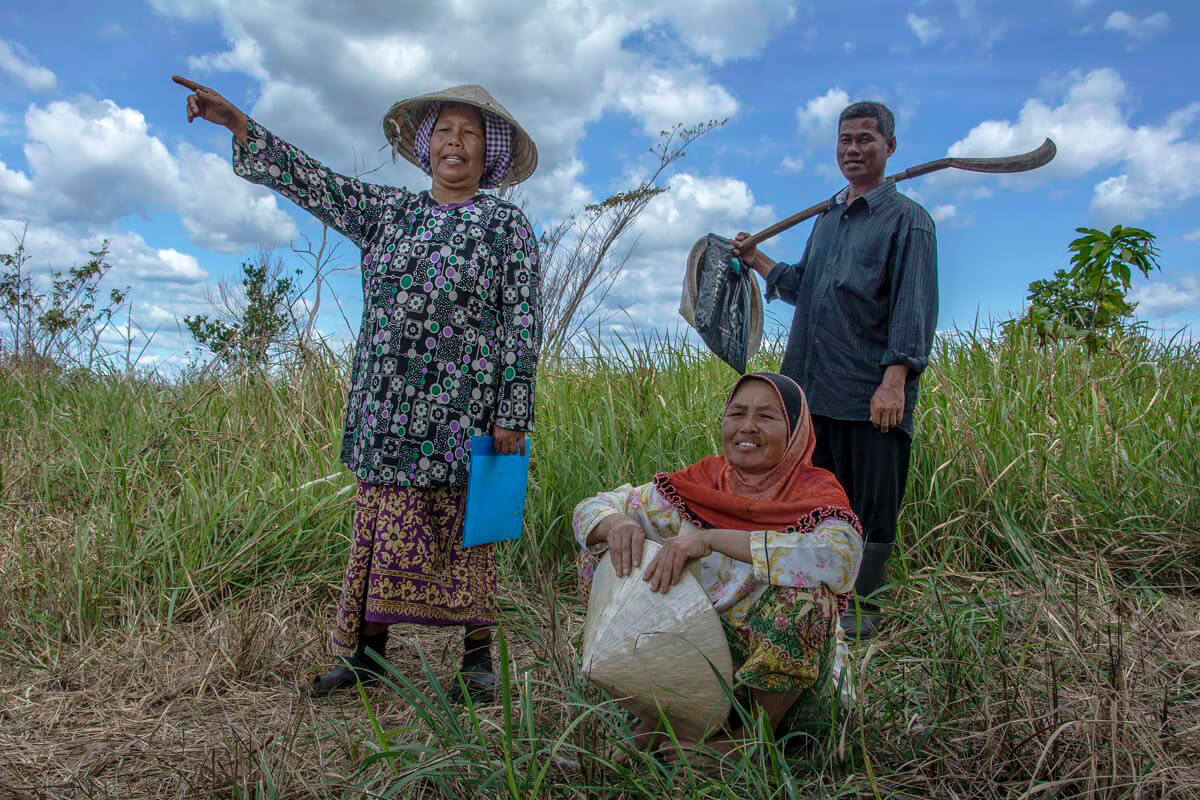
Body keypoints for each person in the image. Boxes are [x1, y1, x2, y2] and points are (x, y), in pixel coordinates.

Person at [171, 76, 541, 701]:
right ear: (426, 147)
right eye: (444, 131)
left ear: (489, 152)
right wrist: (240, 126)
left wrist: (512, 411)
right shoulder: (389, 213)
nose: (456, 143)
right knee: (377, 531)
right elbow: (314, 182)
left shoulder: (504, 225)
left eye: (470, 133)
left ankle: (476, 663)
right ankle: (368, 656)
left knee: (468, 534)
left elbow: (522, 319)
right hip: (388, 410)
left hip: (468, 412)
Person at [573, 372, 863, 759]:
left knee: (808, 599)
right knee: (614, 548)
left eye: (767, 416)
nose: (747, 427)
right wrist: (618, 524)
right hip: (699, 667)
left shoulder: (814, 495)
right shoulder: (695, 486)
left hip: (791, 688)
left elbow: (839, 560)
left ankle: (751, 738)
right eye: (737, 413)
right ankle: (668, 718)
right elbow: (590, 509)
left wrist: (711, 540)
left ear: (794, 431)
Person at [732, 101, 937, 639]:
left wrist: (894, 382)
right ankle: (812, 594)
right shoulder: (826, 220)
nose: (853, 148)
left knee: (870, 504)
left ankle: (861, 613)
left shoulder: (909, 222)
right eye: (845, 139)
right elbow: (804, 286)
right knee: (815, 498)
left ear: (889, 146)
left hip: (869, 394)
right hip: (810, 390)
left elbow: (913, 309)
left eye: (865, 138)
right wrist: (756, 260)